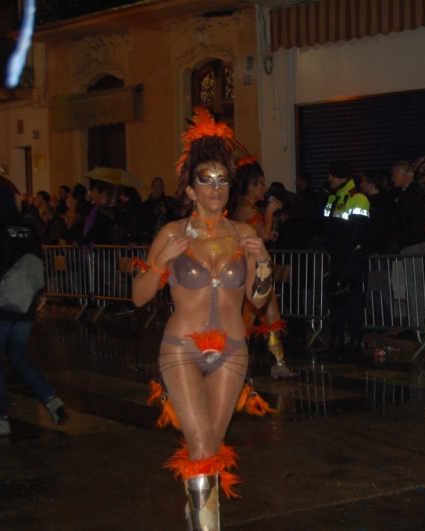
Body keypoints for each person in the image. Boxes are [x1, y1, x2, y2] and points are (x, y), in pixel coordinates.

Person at [132, 108, 273, 529]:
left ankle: (197, 515)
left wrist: (263, 262)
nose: (215, 188)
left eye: (222, 180)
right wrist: (160, 264)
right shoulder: (172, 233)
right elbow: (139, 298)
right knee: (200, 442)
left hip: (232, 351)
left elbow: (260, 301)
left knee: (213, 446)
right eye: (205, 180)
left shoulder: (245, 235)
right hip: (182, 349)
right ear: (190, 190)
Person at [0, 187, 68, 437]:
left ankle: (1, 418)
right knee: (19, 355)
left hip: (2, 303)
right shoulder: (26, 227)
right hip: (25, 304)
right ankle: (52, 400)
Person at [233, 155, 296, 379]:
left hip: (259, 272)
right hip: (249, 273)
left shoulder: (250, 210)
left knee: (272, 316)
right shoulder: (245, 210)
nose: (265, 188)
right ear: (251, 188)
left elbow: (263, 236)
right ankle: (234, 365)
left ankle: (279, 363)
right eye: (261, 183)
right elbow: (266, 235)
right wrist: (269, 214)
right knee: (247, 320)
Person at [321, 162, 370, 362]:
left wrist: (343, 252)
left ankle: (355, 345)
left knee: (353, 302)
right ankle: (337, 341)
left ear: (342, 177)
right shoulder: (333, 197)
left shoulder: (357, 198)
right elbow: (325, 227)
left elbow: (358, 231)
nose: (329, 179)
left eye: (332, 175)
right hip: (337, 258)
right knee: (336, 302)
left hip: (351, 259)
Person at [390, 161, 425, 328]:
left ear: (405, 174)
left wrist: (402, 235)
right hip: (409, 243)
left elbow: (415, 221)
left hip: (412, 243)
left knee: (414, 286)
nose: (392, 179)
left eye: (394, 175)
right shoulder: (410, 193)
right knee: (412, 285)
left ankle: (417, 324)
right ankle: (415, 323)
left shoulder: (414, 194)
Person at [141, 177, 181, 243]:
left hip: (166, 239)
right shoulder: (145, 205)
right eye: (154, 186)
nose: (157, 189)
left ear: (163, 187)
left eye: (159, 186)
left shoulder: (170, 202)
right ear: (151, 187)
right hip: (149, 241)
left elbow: (177, 219)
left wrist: (167, 213)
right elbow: (142, 223)